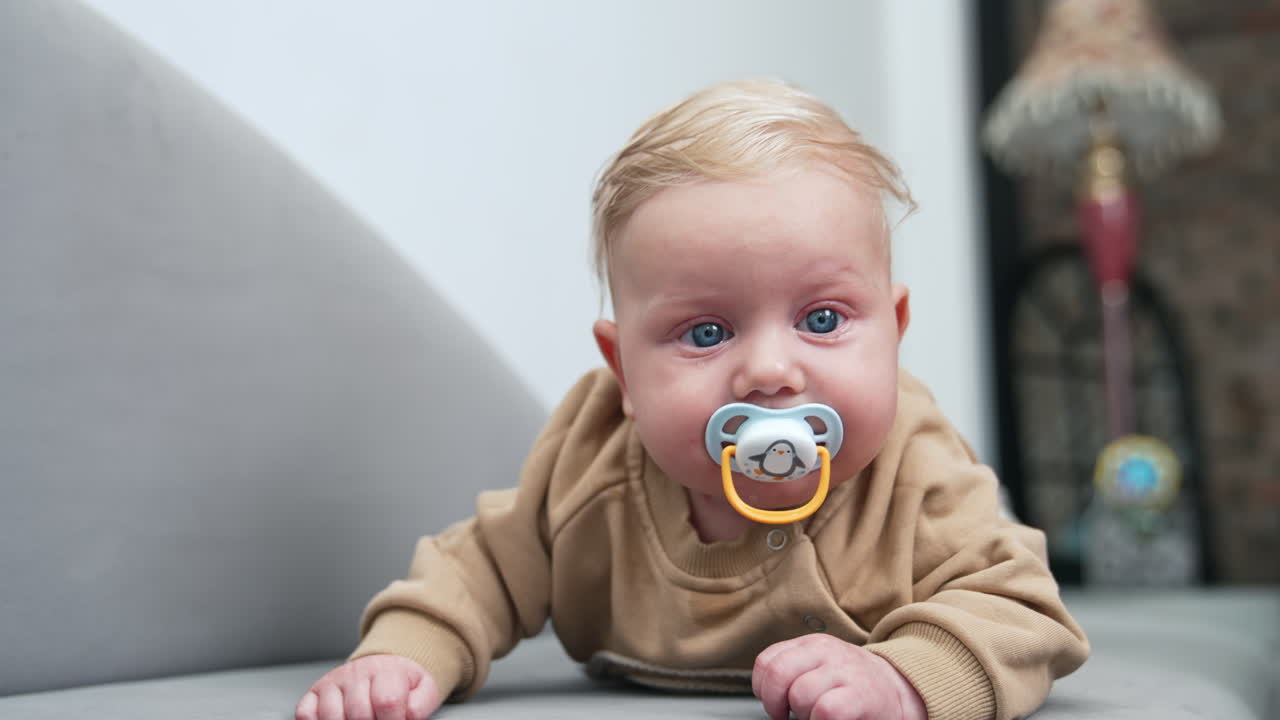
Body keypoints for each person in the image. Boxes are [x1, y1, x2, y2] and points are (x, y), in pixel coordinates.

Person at [295, 79, 1089, 720]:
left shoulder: (914, 466)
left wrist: (908, 681)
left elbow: (1022, 608)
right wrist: (401, 658)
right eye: (706, 333)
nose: (770, 372)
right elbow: (478, 570)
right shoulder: (591, 460)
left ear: (894, 328)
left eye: (821, 320)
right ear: (624, 372)